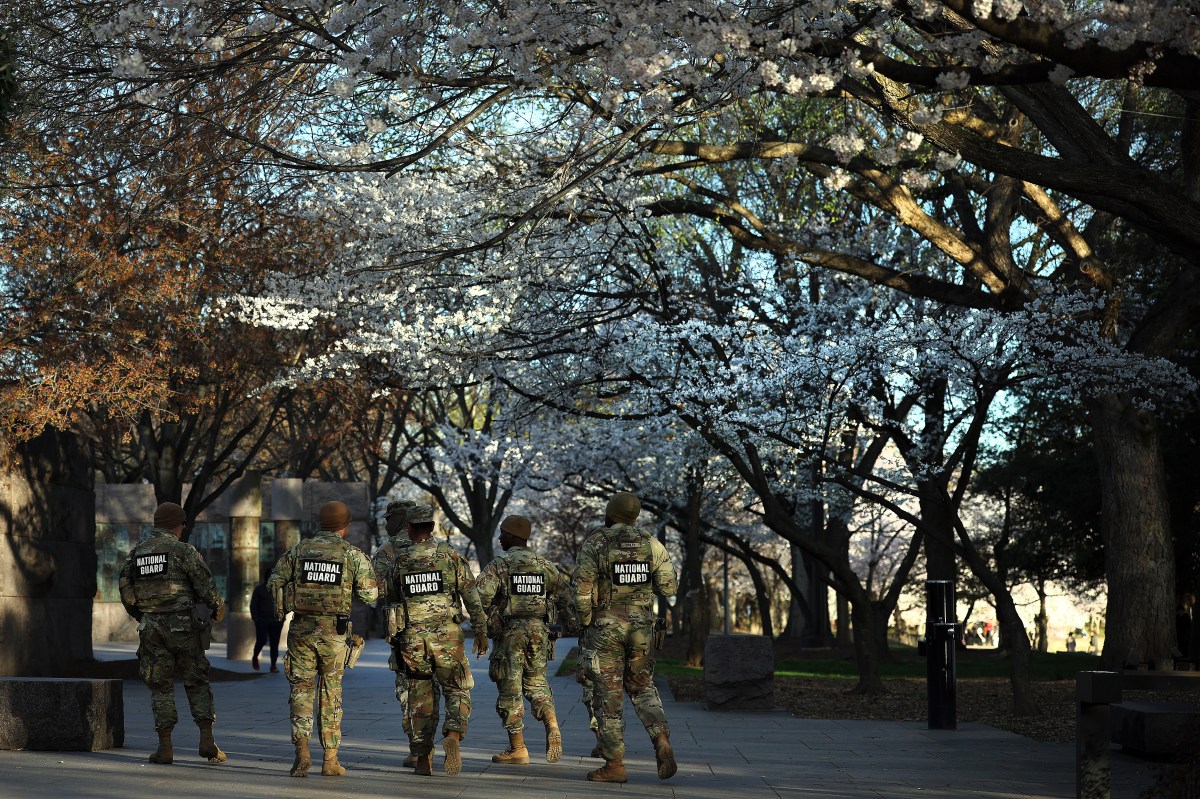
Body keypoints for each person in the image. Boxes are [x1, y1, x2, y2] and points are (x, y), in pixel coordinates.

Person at [574, 491, 679, 783]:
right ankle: (661, 740)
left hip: (606, 627)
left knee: (609, 695)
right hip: (642, 628)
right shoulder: (651, 544)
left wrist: (585, 622)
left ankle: (615, 766)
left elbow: (581, 589)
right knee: (643, 686)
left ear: (610, 514)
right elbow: (670, 587)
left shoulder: (597, 541)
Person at [269, 500, 378, 778]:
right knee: (331, 694)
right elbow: (371, 596)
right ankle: (330, 760)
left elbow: (275, 583)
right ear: (345, 526)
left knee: (301, 691)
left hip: (302, 631)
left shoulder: (298, 551)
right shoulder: (352, 554)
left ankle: (301, 752)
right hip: (335, 633)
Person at [118, 501, 227, 766]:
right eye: (182, 524)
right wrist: (217, 608)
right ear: (176, 525)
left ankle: (165, 748)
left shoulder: (137, 554)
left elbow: (125, 590)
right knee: (196, 681)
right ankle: (206, 741)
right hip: (185, 627)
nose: (183, 528)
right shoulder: (183, 551)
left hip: (152, 628)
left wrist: (142, 615)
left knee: (160, 685)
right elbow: (205, 586)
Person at [386, 504, 489, 776]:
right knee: (457, 688)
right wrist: (480, 630)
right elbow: (471, 596)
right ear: (432, 527)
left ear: (408, 528)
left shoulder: (400, 560)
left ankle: (422, 758)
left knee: (420, 698)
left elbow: (391, 599)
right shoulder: (451, 556)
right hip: (447, 636)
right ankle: (453, 735)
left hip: (413, 638)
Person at [475, 514, 569, 765]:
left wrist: (483, 624)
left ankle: (518, 748)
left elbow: (479, 597)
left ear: (513, 536)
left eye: (503, 533)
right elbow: (565, 595)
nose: (499, 538)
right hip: (539, 633)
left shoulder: (500, 565)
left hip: (510, 634)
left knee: (511, 689)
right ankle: (551, 722)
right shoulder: (544, 565)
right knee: (537, 683)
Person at [372, 499, 437, 768]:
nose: (385, 524)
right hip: (441, 631)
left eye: (388, 518)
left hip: (405, 633)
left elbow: (374, 589)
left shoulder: (388, 551)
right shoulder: (440, 548)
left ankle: (418, 749)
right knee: (435, 689)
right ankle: (440, 740)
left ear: (399, 520)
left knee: (410, 690)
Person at [250, 567, 284, 672]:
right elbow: (253, 605)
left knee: (274, 644)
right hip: (262, 621)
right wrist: (256, 619)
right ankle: (255, 657)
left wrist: (283, 618)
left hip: (276, 621)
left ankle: (273, 665)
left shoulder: (280, 590)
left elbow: (285, 604)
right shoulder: (259, 589)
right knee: (261, 641)